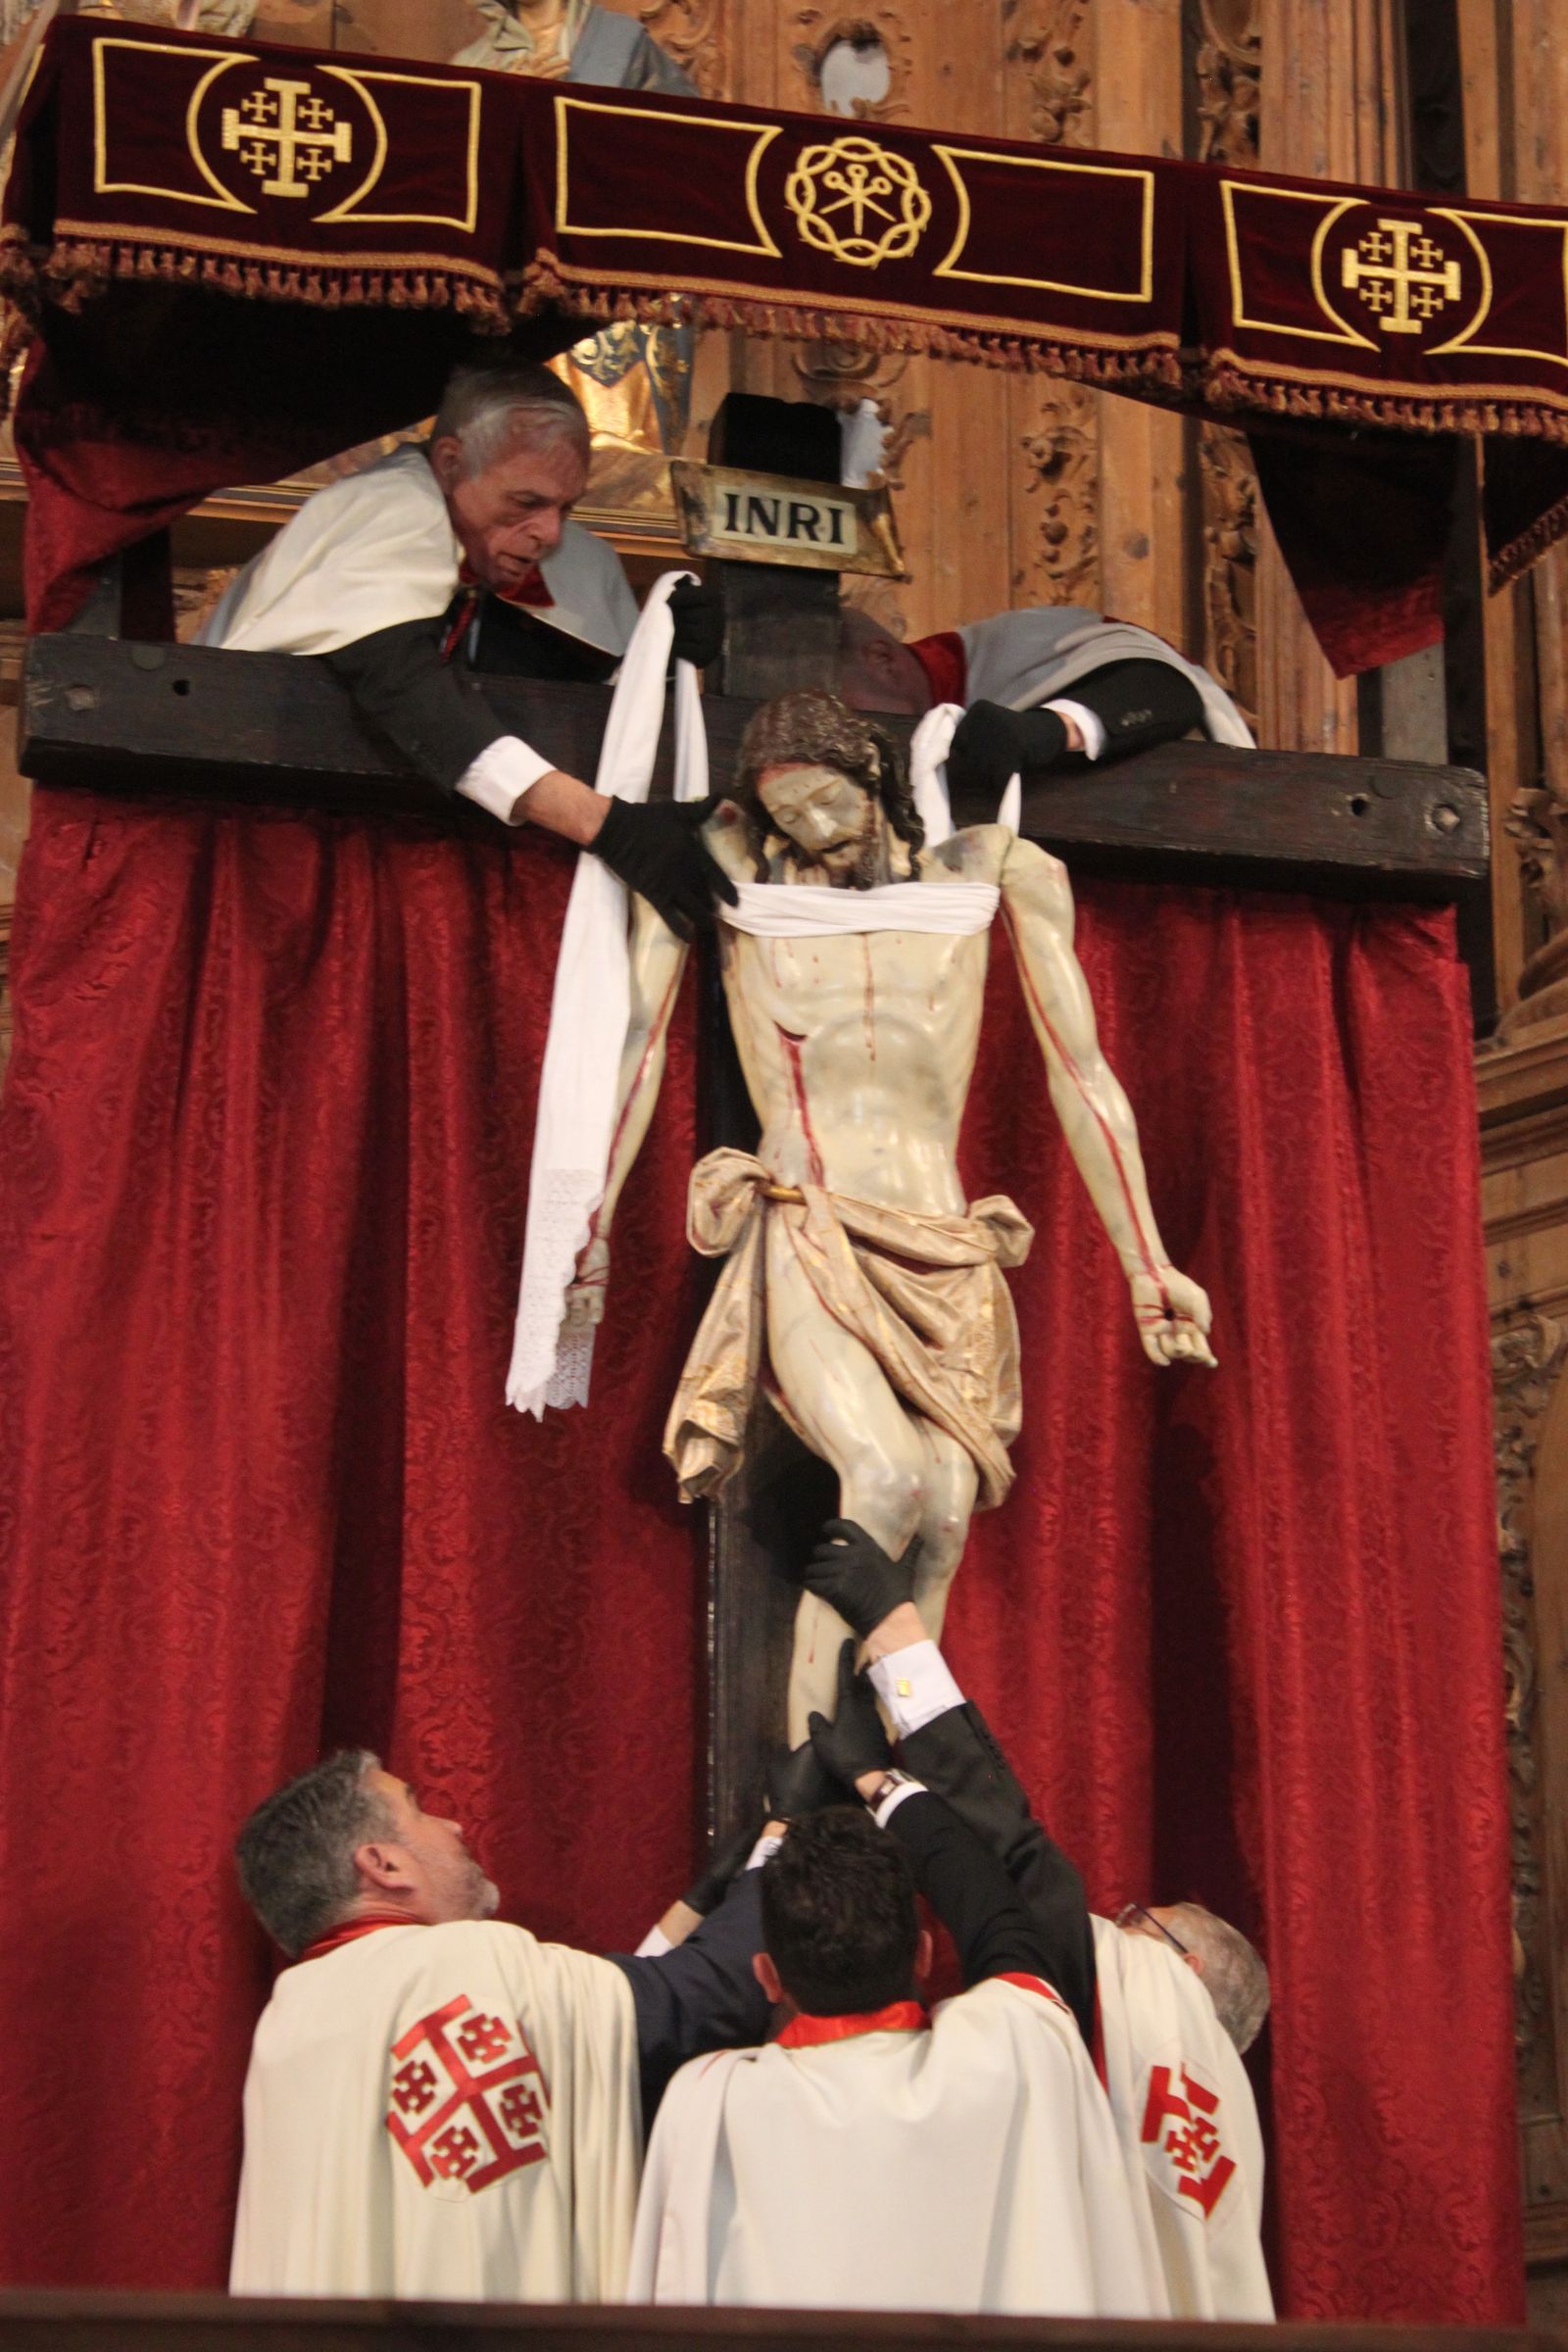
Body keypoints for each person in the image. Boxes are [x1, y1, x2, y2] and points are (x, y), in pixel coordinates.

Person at [566, 690, 1214, 1739]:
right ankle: (802, 1785)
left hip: (942, 1241)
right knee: (883, 1478)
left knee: (947, 1513)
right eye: (790, 816)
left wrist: (1149, 1262)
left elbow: (1082, 1071)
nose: (815, 832)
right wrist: (584, 1224)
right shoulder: (726, 867)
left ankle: (901, 1760)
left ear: (874, 780)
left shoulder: (998, 872)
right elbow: (637, 1049)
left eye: (829, 801)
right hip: (812, 1223)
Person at [797, 1521, 1275, 2321]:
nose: (1112, 1925)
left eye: (1135, 1920)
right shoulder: (1221, 2115)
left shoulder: (1137, 2000)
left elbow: (1015, 1853)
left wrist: (894, 1632)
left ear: (1184, 1968)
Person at [228, 1745, 808, 2299]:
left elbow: (584, 2037)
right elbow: (702, 2003)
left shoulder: (291, 2020)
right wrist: (785, 1843)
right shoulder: (461, 1967)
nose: (452, 1827)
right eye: (419, 1807)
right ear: (384, 1864)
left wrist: (701, 1906)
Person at [199, 359, 733, 941]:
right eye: (525, 501)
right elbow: (407, 689)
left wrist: (664, 658)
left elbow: (614, 738)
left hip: (470, 890)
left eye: (567, 507)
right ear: (451, 463)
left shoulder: (575, 559)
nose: (551, 534)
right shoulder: (387, 506)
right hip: (286, 859)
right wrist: (602, 826)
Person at [626, 1756, 1152, 2312]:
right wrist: (879, 1780)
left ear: (767, 1977)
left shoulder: (708, 2106)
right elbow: (1000, 1922)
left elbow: (633, 2028)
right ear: (925, 1954)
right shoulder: (1003, 2051)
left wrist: (767, 1848)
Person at [837, 603, 1254, 822]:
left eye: (842, 711)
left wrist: (1050, 728)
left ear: (883, 660)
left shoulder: (1028, 641)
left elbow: (1165, 690)